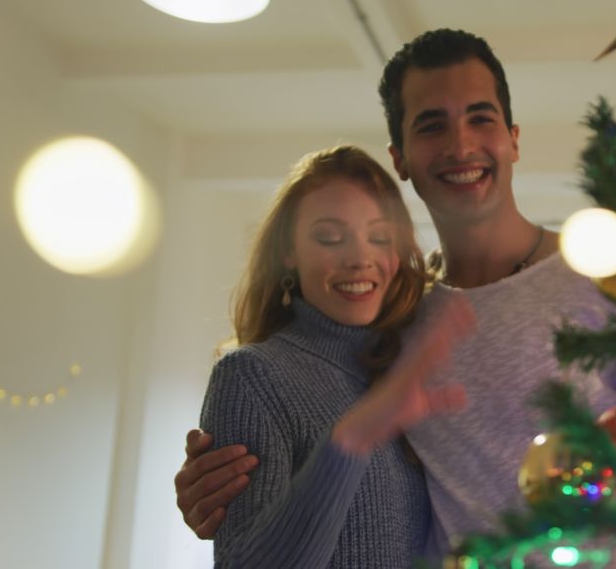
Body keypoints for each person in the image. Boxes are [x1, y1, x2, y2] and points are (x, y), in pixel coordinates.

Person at [176, 29, 616, 567]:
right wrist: (214, 484)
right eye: (432, 126)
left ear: (512, 137)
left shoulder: (604, 276)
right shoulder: (396, 317)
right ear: (400, 157)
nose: (461, 144)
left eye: (480, 118)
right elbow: (322, 434)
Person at [195, 144, 474, 568]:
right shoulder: (253, 376)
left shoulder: (406, 368)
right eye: (329, 237)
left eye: (379, 237)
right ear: (288, 251)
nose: (360, 258)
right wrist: (349, 442)